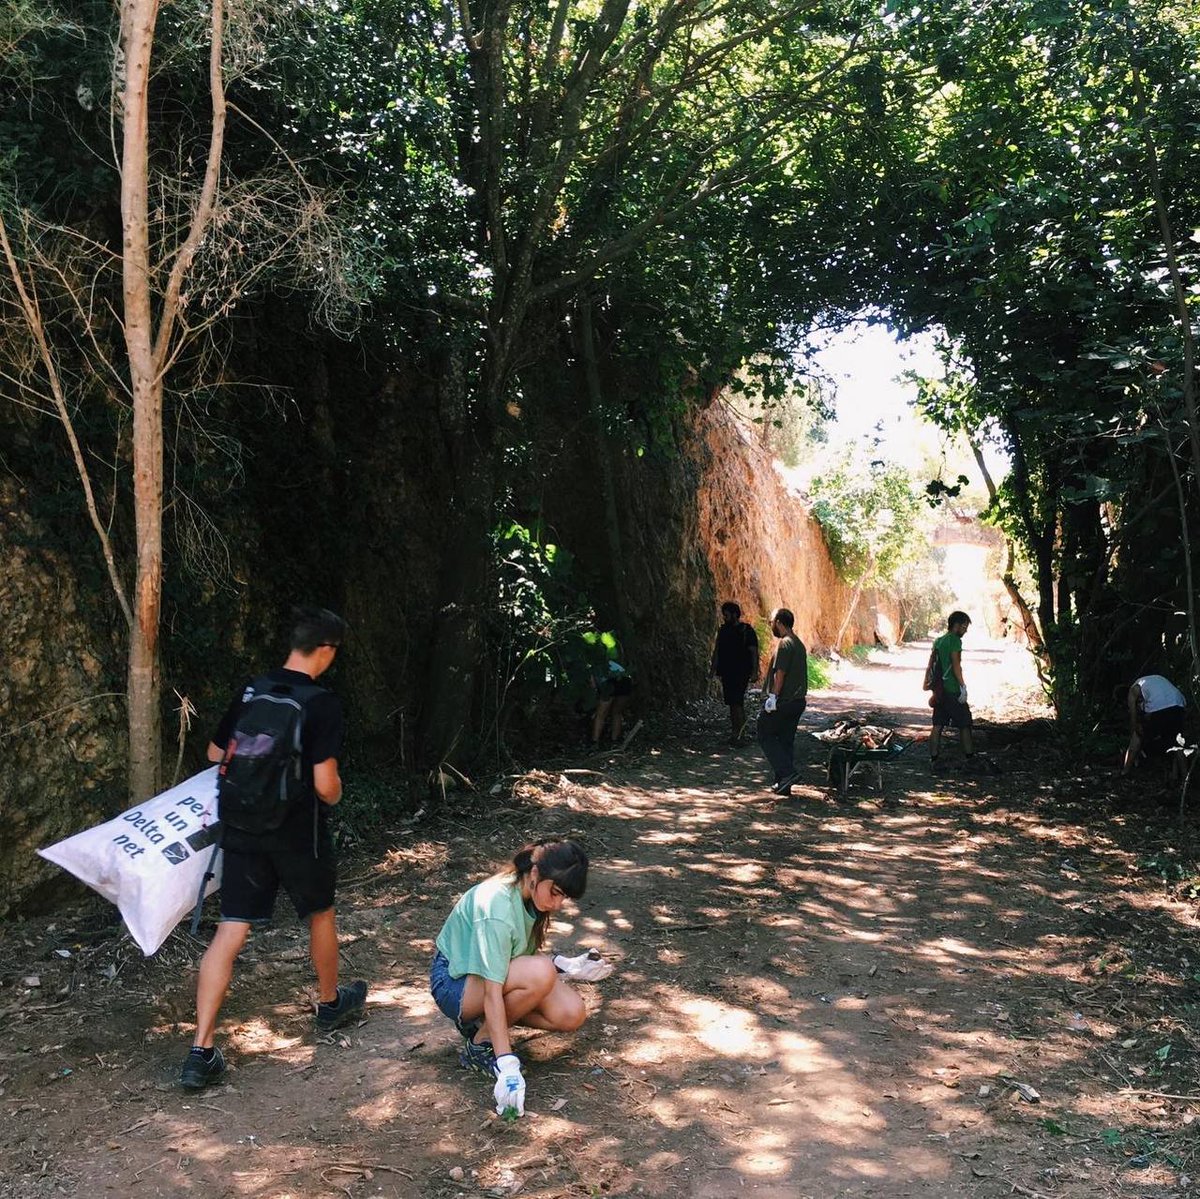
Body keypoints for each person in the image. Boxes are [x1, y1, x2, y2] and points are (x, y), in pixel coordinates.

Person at [179, 606, 367, 1090]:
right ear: (326, 651)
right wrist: (337, 791)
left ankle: (200, 1050)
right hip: (297, 831)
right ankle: (328, 1004)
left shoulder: (252, 690)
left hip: (241, 828)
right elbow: (326, 786)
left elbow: (215, 754)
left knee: (231, 929)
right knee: (320, 913)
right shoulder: (321, 703)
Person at [429, 839, 612, 1117]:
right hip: (454, 982)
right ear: (536, 875)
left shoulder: (530, 897)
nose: (558, 904)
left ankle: (483, 1027)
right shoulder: (497, 906)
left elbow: (514, 960)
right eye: (556, 893)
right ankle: (482, 1045)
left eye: (564, 897)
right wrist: (506, 1063)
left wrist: (567, 966)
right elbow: (495, 989)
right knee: (541, 973)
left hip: (485, 978)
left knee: (571, 1014)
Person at [757, 608, 808, 797]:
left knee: (764, 732)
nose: (771, 626)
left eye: (772, 622)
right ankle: (783, 784)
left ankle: (788, 773)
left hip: (785, 701)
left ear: (779, 622)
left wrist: (773, 698)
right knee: (785, 740)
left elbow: (781, 673)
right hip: (797, 701)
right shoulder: (799, 644)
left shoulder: (785, 644)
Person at [929, 610, 974, 768]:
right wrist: (962, 686)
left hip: (939, 690)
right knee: (965, 724)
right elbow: (956, 665)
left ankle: (934, 759)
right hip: (952, 690)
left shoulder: (939, 641)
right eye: (964, 626)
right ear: (956, 625)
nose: (965, 630)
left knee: (938, 725)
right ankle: (970, 758)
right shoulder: (955, 641)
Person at [711, 601, 759, 745]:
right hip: (727, 672)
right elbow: (717, 651)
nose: (724, 618)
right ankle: (736, 732)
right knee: (732, 703)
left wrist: (755, 671)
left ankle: (740, 734)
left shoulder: (746, 631)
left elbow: (754, 652)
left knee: (737, 702)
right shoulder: (723, 630)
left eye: (726, 615)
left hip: (741, 672)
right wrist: (713, 669)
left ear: (734, 615)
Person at [1122, 674, 1187, 779]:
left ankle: (1125, 771)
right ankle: (1184, 778)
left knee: (1137, 735)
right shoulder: (1152, 680)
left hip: (1161, 707)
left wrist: (1133, 731)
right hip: (1179, 704)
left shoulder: (1133, 689)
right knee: (1177, 743)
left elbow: (1133, 717)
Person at [590, 647, 633, 749]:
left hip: (611, 683)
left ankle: (594, 742)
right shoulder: (610, 662)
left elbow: (593, 685)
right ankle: (615, 741)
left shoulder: (592, 666)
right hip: (625, 681)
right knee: (616, 712)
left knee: (600, 714)